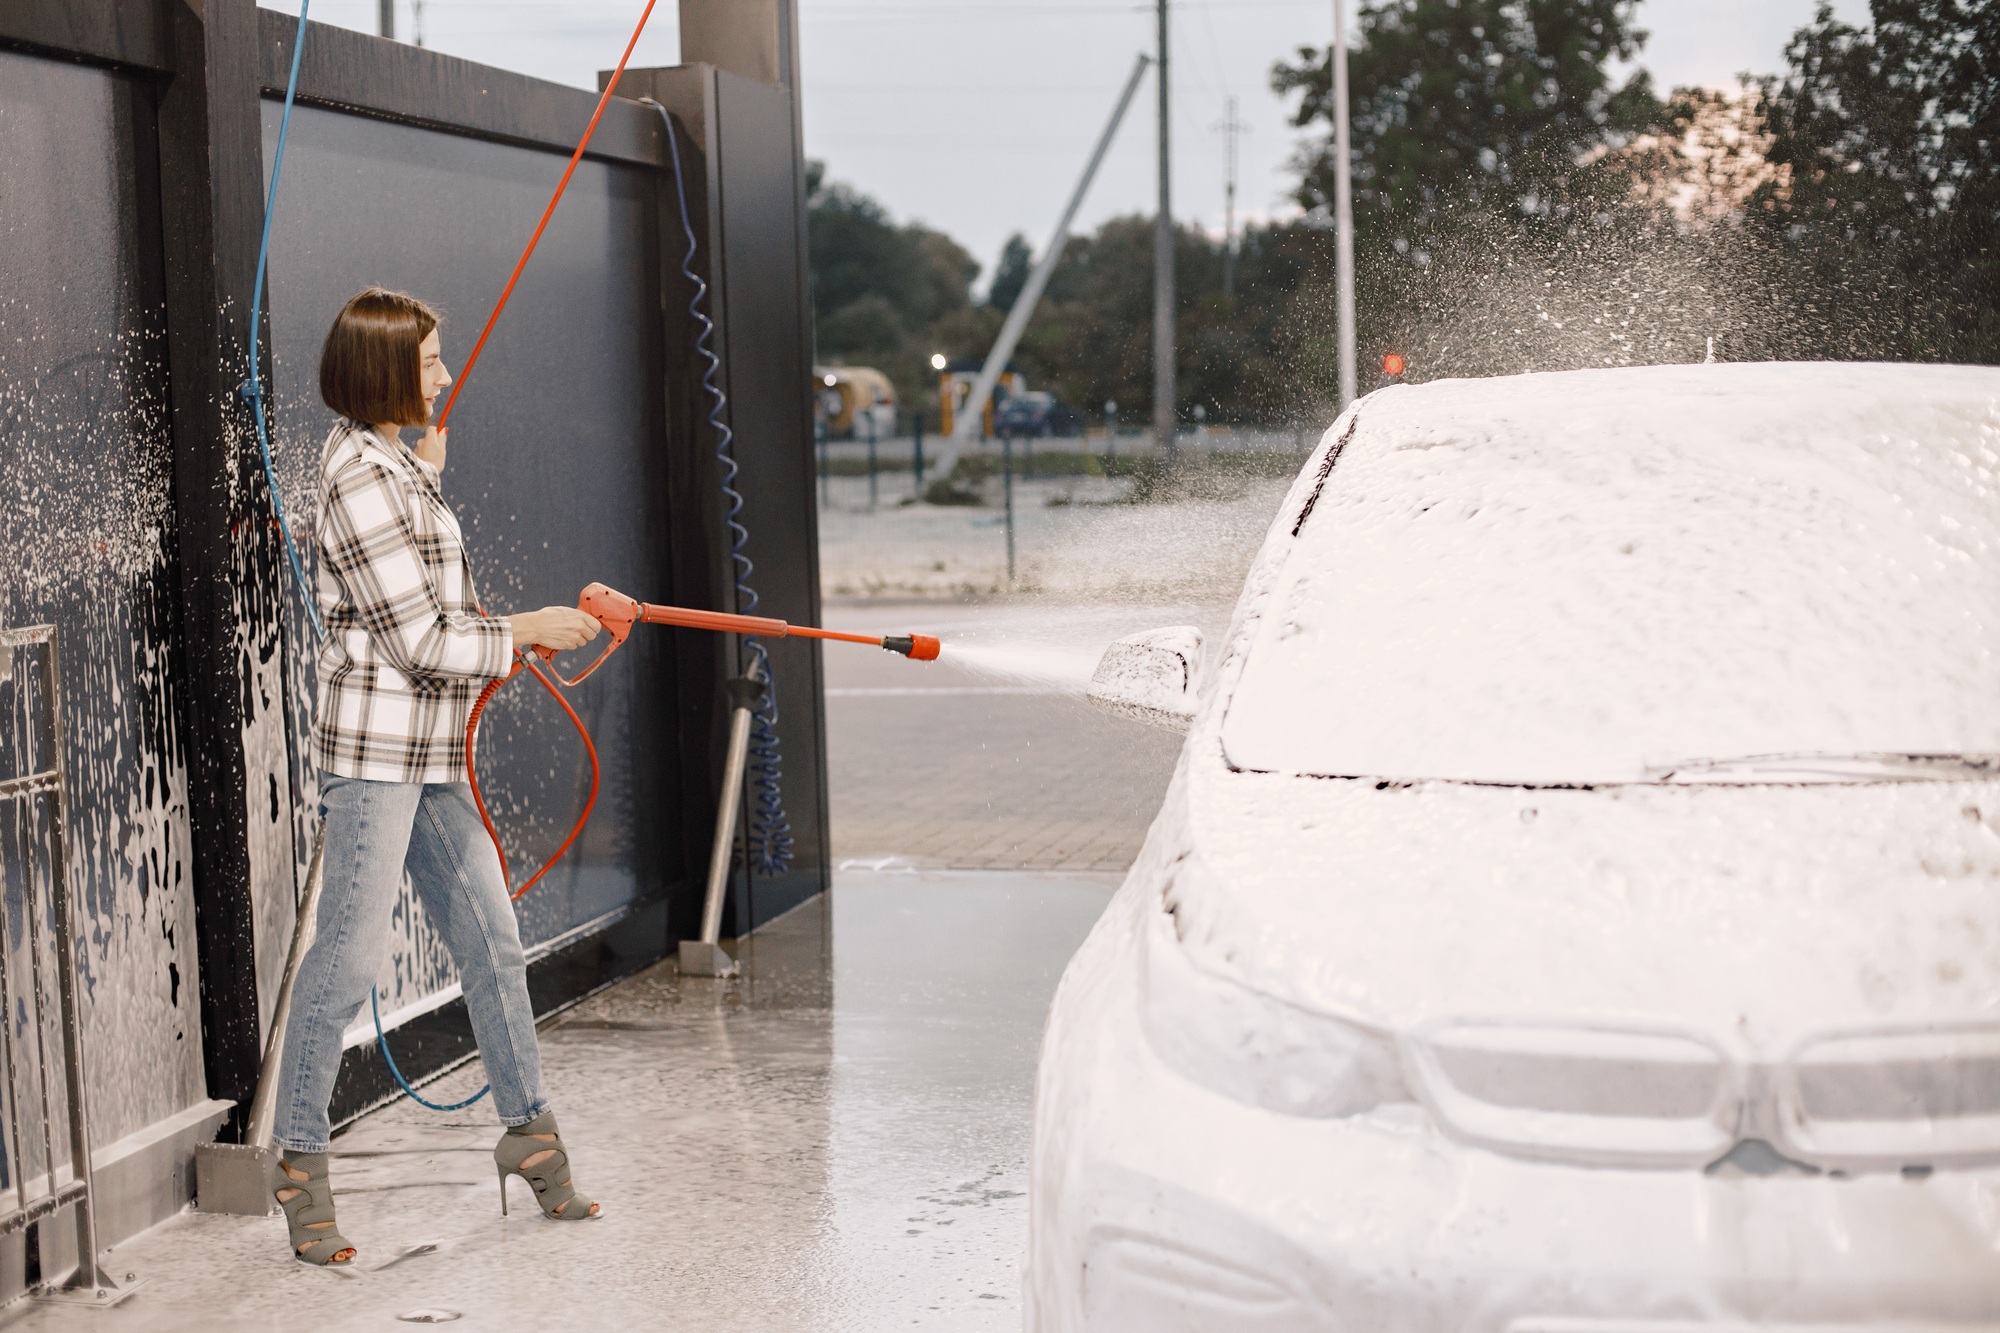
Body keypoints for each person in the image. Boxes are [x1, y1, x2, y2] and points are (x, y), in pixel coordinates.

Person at [269, 288, 604, 1265]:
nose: (447, 375)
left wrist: (425, 475)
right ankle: (297, 1158)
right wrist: (527, 631)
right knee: (346, 967)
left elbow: (431, 603)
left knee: (495, 945)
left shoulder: (390, 467)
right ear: (382, 373)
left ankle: (528, 1133)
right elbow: (419, 639)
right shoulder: (358, 478)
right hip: (376, 760)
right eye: (429, 364)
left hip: (427, 757)